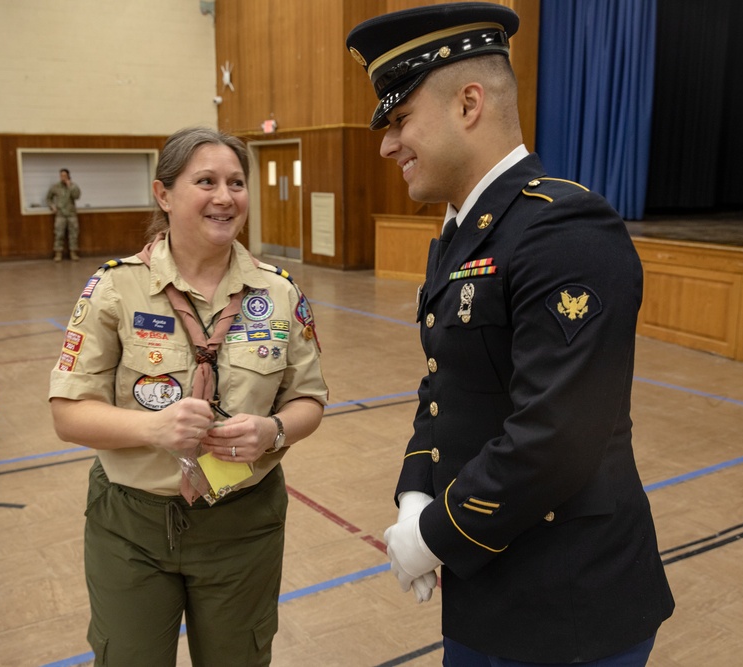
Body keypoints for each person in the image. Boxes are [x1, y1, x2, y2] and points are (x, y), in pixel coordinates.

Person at [346, 4, 675, 666]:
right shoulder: (463, 236)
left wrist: (431, 534)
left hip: (570, 605)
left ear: (469, 103)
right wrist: (415, 492)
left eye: (401, 118)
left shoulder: (565, 232)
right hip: (486, 585)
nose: (387, 143)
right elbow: (445, 384)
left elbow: (556, 436)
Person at [49, 127, 328, 667]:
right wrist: (152, 430)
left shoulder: (278, 292)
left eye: (237, 182)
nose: (225, 197)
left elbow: (309, 400)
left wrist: (273, 431)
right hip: (131, 525)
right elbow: (68, 414)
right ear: (164, 194)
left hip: (243, 523)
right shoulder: (114, 288)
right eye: (206, 181)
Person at [46, 168, 82, 262]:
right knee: (59, 234)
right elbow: (48, 198)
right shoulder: (56, 187)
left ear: (68, 176)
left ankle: (73, 253)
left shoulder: (73, 186)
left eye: (64, 176)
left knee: (73, 234)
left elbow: (77, 196)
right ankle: (58, 254)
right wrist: (52, 206)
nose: (63, 177)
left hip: (71, 214)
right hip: (60, 214)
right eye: (61, 176)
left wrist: (70, 186)